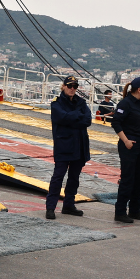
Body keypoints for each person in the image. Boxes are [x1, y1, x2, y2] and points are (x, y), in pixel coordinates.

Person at [46, 75, 91, 219]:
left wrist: (71, 117)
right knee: (58, 177)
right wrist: (77, 116)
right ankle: (50, 207)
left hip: (79, 146)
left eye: (75, 87)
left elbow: (88, 120)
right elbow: (61, 117)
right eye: (70, 86)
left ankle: (68, 205)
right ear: (63, 86)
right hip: (64, 146)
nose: (72, 89)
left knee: (74, 178)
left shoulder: (81, 102)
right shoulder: (56, 103)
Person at [111, 76, 140, 224]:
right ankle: (120, 211)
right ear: (139, 89)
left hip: (139, 144)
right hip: (129, 145)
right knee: (127, 178)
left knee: (138, 178)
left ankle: (134, 209)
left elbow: (133, 120)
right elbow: (116, 122)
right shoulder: (125, 103)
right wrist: (126, 140)